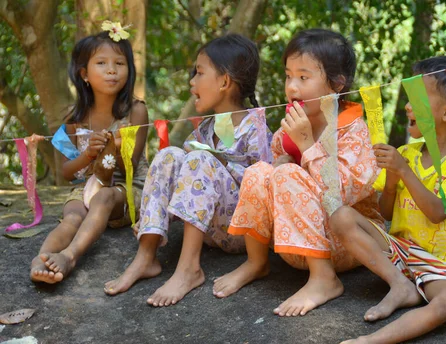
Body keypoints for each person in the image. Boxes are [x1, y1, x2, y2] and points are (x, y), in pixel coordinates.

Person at [329, 56, 446, 344]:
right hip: (398, 253)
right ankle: (401, 285)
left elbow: (437, 212)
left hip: (441, 263)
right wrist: (390, 180)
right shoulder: (407, 153)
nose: (407, 108)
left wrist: (402, 170)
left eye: (416, 101)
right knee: (341, 215)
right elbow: (386, 213)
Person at [213, 28, 383, 317]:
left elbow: (343, 193)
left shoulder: (353, 130)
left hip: (349, 243)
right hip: (295, 244)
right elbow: (276, 167)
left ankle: (324, 279)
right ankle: (257, 262)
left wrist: (306, 147)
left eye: (304, 77)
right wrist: (281, 164)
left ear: (337, 84)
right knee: (259, 171)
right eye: (288, 76)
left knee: (286, 175)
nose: (292, 87)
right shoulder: (288, 128)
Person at [104, 34, 271, 307]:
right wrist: (154, 217)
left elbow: (265, 188)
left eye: (199, 73)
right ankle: (146, 255)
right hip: (210, 230)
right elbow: (186, 187)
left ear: (225, 82)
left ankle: (188, 269)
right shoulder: (204, 129)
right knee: (170, 155)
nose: (192, 82)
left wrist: (218, 161)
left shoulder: (257, 130)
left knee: (200, 160)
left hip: (241, 233)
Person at [30, 27, 148, 284]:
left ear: (129, 70)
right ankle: (42, 259)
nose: (111, 70)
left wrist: (111, 147)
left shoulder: (136, 111)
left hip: (127, 189)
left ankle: (69, 257)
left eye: (119, 63)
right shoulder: (75, 120)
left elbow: (132, 165)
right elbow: (67, 172)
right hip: (88, 186)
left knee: (104, 197)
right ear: (84, 74)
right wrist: (88, 155)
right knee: (72, 215)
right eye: (102, 63)